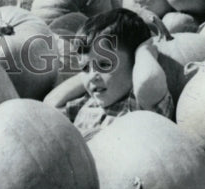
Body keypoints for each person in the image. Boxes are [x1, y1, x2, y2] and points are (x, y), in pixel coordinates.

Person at [61, 8, 173, 140]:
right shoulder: (90, 102)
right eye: (85, 68)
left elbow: (147, 80)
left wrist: (144, 49)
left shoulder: (140, 104)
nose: (92, 76)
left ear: (136, 63)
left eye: (104, 65)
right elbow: (53, 103)